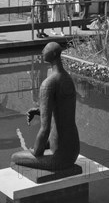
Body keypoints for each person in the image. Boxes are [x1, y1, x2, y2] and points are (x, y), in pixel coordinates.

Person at [11, 42, 80, 171]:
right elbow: (63, 109)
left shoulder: (48, 84)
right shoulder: (67, 78)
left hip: (59, 157)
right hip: (72, 150)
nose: (42, 52)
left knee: (15, 157)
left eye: (45, 49)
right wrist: (41, 111)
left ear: (53, 54)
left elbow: (45, 128)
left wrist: (35, 152)